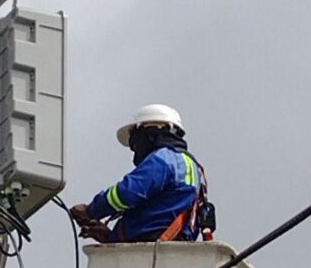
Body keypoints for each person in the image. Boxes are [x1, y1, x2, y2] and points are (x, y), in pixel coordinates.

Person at [70, 104, 213, 244]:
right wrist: (111, 236)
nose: (134, 150)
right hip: (169, 248)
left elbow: (126, 193)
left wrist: (91, 210)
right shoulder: (193, 168)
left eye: (134, 142)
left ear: (149, 134)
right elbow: (162, 211)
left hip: (152, 251)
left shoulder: (163, 160)